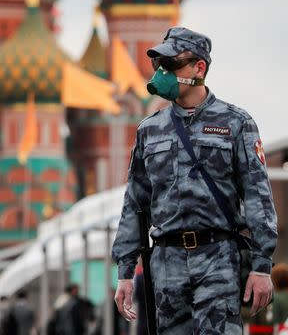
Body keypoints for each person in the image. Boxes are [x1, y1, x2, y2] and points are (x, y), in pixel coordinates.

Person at [111, 27, 277, 333]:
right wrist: (124, 272)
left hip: (218, 258)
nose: (163, 72)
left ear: (199, 68)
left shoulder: (236, 123)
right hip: (166, 261)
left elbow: (258, 197)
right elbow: (135, 202)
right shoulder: (150, 130)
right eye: (158, 66)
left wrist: (261, 266)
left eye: (172, 65)